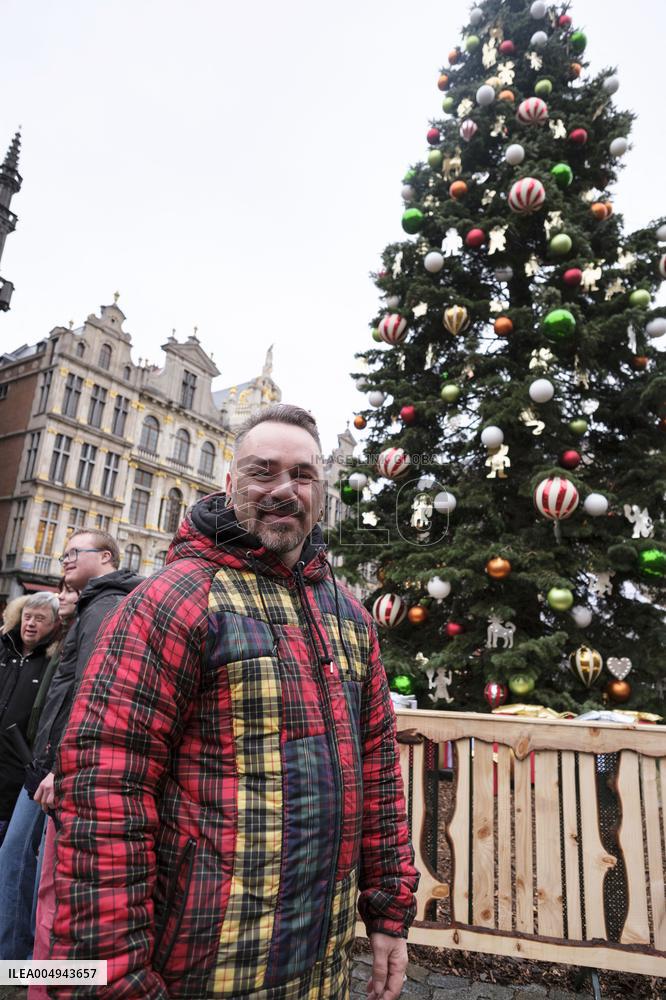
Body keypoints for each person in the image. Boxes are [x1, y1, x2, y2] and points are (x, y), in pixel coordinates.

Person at [52, 404, 419, 1000]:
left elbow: (377, 771)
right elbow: (104, 790)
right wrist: (112, 975)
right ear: (229, 485)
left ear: (320, 491)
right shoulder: (174, 600)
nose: (284, 489)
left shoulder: (349, 614)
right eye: (262, 471)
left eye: (302, 475)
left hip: (322, 961)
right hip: (205, 959)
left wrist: (388, 910)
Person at [0, 534, 142, 960]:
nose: (63, 560)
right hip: (49, 762)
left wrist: (60, 766)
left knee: (27, 866)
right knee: (27, 865)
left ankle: (19, 966)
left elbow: (93, 690)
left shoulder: (104, 606)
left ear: (104, 558)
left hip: (57, 766)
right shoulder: (92, 604)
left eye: (72, 553)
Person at [0, 592, 60, 840]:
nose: (31, 623)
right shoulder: (4, 649)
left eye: (39, 618)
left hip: (15, 775)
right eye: (27, 617)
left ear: (54, 624)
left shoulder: (52, 663)